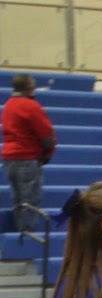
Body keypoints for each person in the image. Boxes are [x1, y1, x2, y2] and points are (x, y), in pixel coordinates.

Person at [2, 73, 56, 235]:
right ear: (29, 88)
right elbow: (46, 134)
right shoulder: (31, 106)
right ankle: (29, 238)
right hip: (27, 158)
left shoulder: (8, 105)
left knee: (18, 200)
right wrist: (48, 153)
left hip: (9, 159)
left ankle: (21, 236)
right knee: (30, 201)